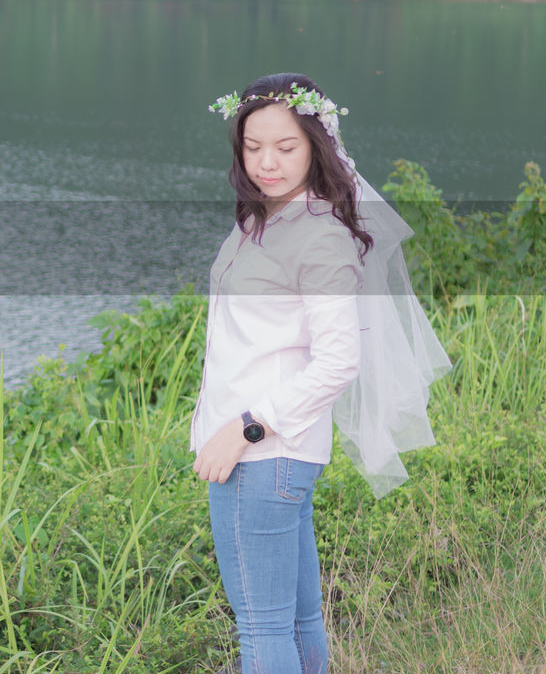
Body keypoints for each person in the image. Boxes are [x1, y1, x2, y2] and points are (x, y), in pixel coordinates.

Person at [189, 72, 451, 673]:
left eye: (285, 146)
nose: (266, 162)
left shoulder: (318, 237)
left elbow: (339, 361)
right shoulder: (265, 219)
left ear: (316, 144)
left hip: (261, 454)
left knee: (260, 631)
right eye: (253, 147)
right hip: (273, 454)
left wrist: (246, 427)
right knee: (296, 620)